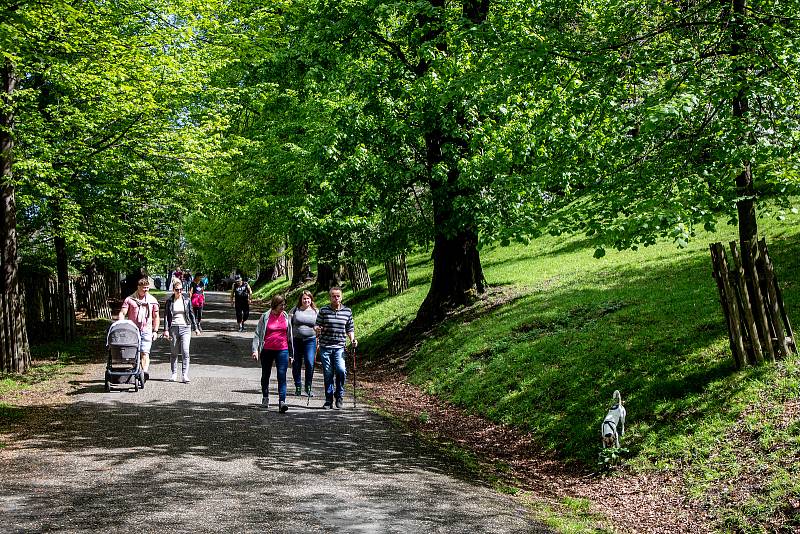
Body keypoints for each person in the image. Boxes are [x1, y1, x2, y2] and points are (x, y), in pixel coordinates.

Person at [314, 286, 357, 409]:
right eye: (333, 296)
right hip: (325, 346)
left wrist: (352, 339)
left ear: (341, 297)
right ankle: (328, 400)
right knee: (328, 373)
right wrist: (317, 329)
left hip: (339, 347)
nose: (336, 298)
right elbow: (317, 325)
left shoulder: (347, 311)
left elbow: (350, 328)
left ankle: (339, 395)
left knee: (341, 370)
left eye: (338, 296)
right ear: (330, 297)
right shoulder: (323, 310)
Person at [251, 294, 294, 412]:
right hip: (267, 350)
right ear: (275, 305)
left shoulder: (286, 317)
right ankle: (265, 397)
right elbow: (257, 334)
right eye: (281, 305)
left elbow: (290, 337)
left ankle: (282, 402)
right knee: (266, 375)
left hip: (282, 349)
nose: (283, 307)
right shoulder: (265, 316)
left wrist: (291, 354)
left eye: (284, 304)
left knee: (282, 376)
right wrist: (255, 350)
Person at [118, 277, 160, 381]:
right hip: (132, 331)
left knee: (145, 352)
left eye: (147, 288)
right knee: (132, 353)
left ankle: (144, 373)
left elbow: (156, 317)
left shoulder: (152, 300)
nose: (145, 290)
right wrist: (121, 323)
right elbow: (122, 313)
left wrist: (155, 331)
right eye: (143, 288)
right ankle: (134, 372)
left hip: (146, 330)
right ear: (138, 287)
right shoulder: (130, 299)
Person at [163, 280, 200, 382]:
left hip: (185, 327)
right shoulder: (169, 301)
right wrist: (166, 329)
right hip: (173, 328)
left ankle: (184, 374)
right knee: (174, 352)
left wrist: (195, 328)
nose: (179, 291)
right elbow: (166, 316)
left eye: (180, 289)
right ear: (173, 290)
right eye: (177, 290)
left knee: (185, 351)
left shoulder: (187, 300)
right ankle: (174, 373)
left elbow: (191, 314)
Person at [289, 290, 318, 397]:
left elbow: (320, 325)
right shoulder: (295, 310)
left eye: (308, 298)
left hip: (310, 340)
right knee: (296, 363)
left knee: (310, 363)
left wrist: (319, 330)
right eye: (304, 298)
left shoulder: (316, 311)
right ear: (300, 300)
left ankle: (308, 387)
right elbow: (288, 324)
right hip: (296, 340)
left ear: (311, 299)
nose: (306, 300)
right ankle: (298, 387)